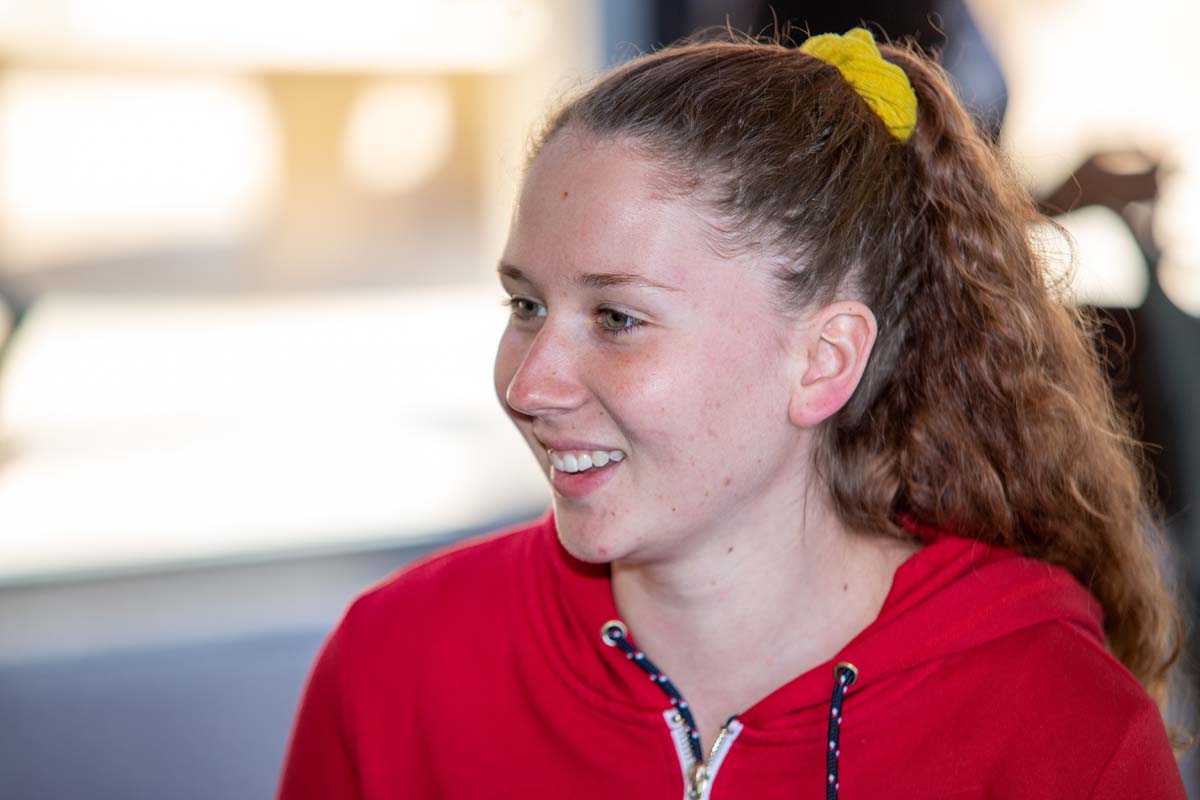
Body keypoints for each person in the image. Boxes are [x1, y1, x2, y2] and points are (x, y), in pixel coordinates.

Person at [277, 29, 1187, 798]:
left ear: (823, 360)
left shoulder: (1060, 732)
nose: (528, 384)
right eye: (524, 307)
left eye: (618, 318)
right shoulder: (394, 666)